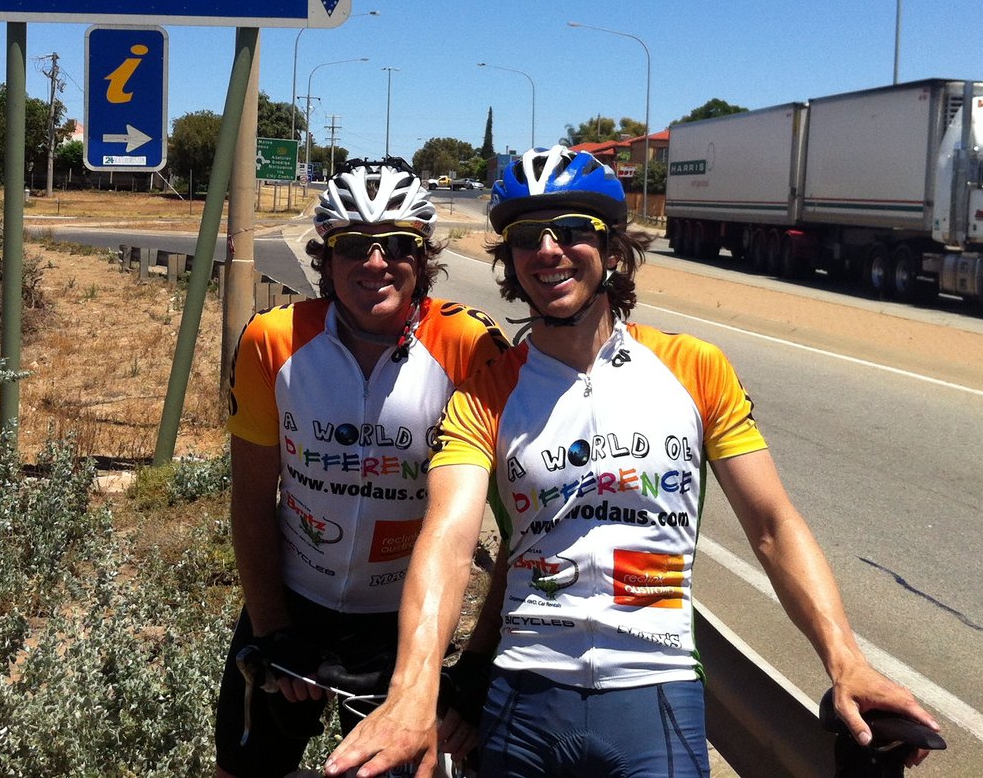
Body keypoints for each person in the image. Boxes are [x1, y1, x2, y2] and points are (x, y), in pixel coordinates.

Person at [326, 147, 941, 778]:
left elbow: (772, 527)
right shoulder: (486, 391)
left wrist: (846, 661)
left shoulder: (695, 368)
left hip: (657, 691)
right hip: (525, 695)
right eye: (527, 237)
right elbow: (449, 540)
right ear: (509, 259)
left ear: (613, 250)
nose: (548, 250)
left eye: (572, 231)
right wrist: (414, 690)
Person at [216, 157, 509, 778]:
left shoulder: (471, 345)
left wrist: (478, 664)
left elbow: (520, 528)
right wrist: (272, 628)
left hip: (403, 624)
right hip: (293, 603)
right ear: (325, 257)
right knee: (241, 769)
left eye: (397, 244)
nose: (376, 262)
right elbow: (250, 500)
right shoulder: (272, 339)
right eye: (352, 245)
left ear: (423, 256)